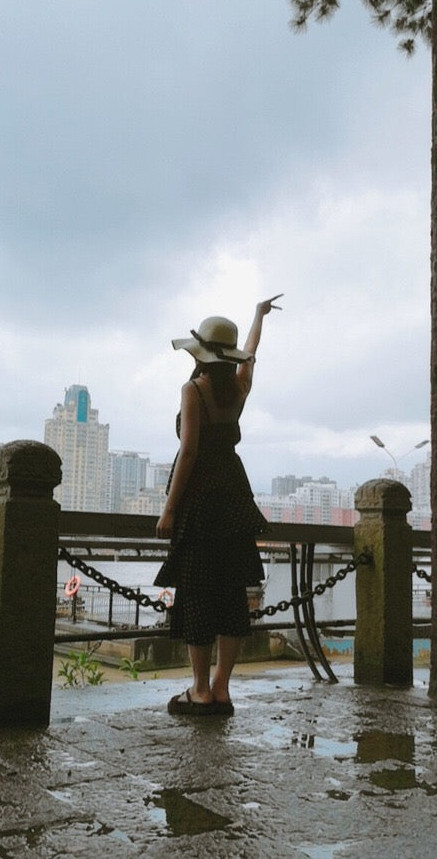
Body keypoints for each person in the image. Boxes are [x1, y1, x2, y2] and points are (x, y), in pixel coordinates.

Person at [154, 295, 282, 715]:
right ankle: (222, 687)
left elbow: (188, 452)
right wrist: (258, 317)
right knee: (231, 596)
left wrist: (170, 509)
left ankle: (199, 690)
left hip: (200, 501)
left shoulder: (194, 390)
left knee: (196, 592)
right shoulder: (238, 389)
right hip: (234, 498)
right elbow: (253, 354)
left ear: (201, 354)